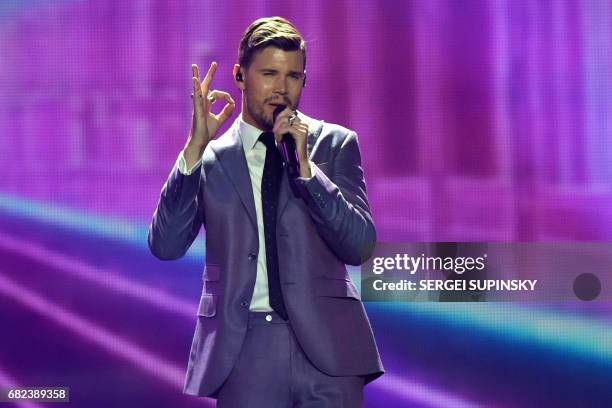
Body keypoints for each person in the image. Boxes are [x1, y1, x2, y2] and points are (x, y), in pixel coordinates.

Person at [148, 16, 383, 407]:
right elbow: (166, 244)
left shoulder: (334, 144)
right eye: (269, 74)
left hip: (330, 349)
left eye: (293, 76)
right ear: (240, 76)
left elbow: (358, 246)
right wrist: (193, 147)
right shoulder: (209, 159)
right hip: (245, 348)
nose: (281, 89)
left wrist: (308, 172)